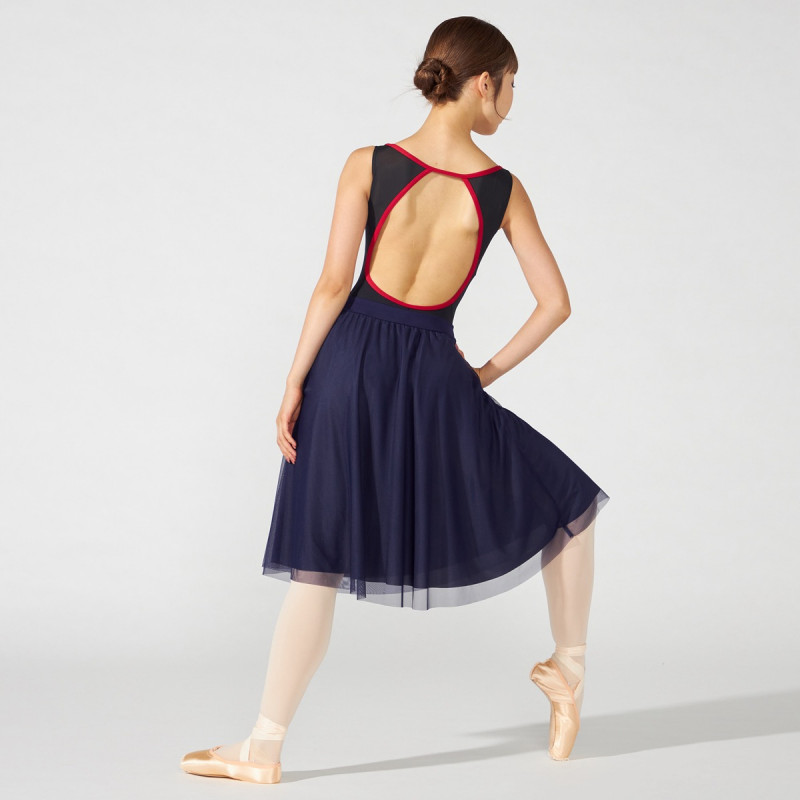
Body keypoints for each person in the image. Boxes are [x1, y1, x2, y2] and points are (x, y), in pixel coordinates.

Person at [181, 15, 610, 784]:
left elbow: (332, 285)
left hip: (347, 368)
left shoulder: (367, 164)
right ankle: (568, 668)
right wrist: (482, 376)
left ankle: (263, 750)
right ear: (484, 83)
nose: (512, 103)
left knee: (317, 565)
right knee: (569, 505)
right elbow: (556, 304)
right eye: (512, 86)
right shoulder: (502, 190)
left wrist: (294, 382)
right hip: (435, 374)